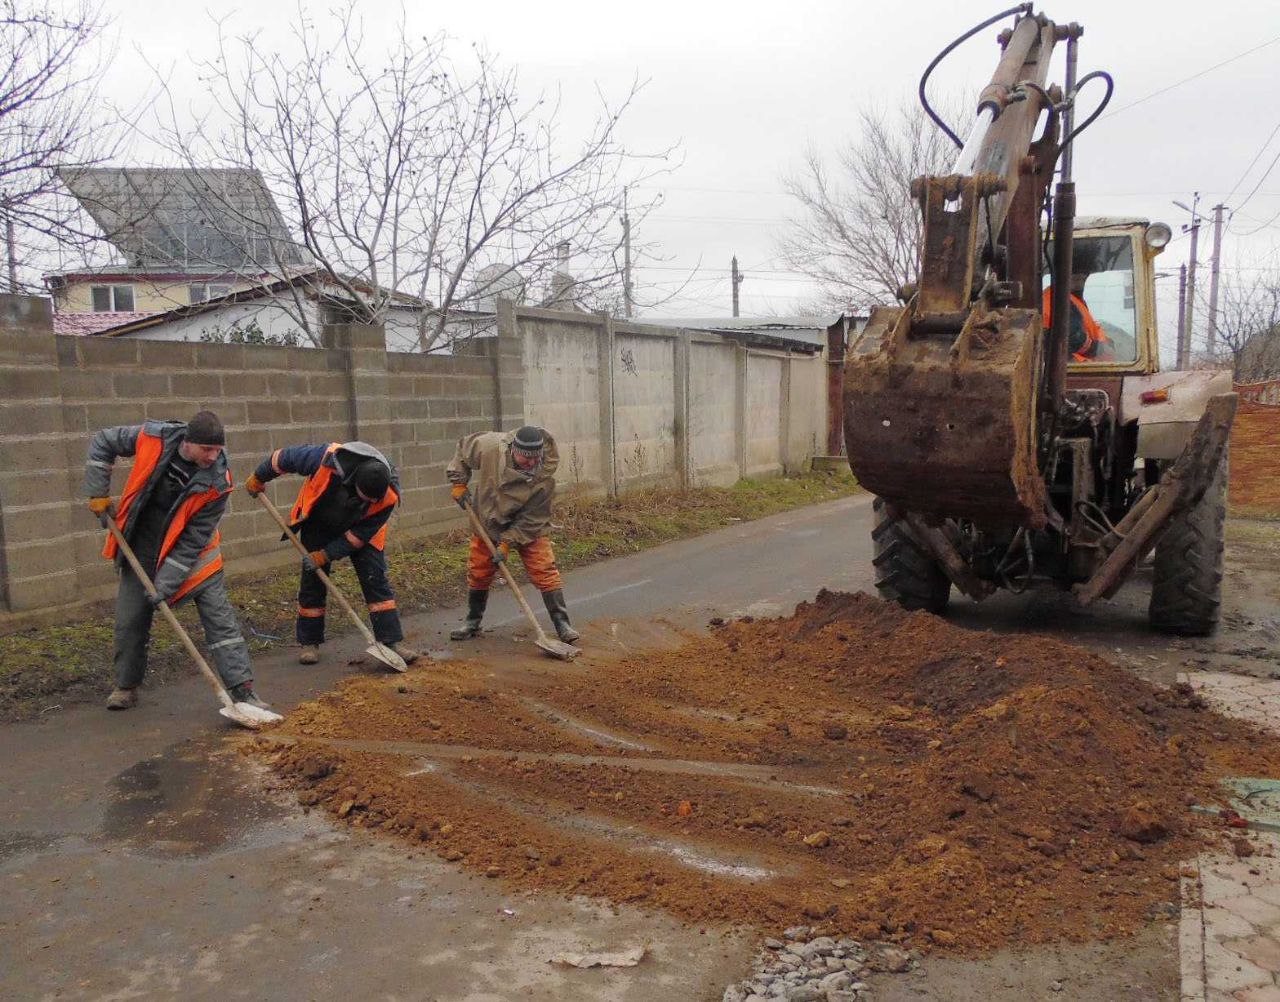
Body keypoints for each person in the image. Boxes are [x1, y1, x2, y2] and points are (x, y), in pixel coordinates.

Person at [85, 411, 268, 711]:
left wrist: (165, 584)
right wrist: (97, 492)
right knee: (130, 621)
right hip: (142, 546)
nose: (212, 456)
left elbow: (193, 540)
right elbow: (103, 441)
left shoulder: (218, 483)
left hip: (195, 557)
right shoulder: (153, 438)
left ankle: (243, 692)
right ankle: (126, 686)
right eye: (206, 450)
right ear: (188, 442)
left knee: (220, 622)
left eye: (217, 450)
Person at [245, 441, 420, 666]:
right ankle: (309, 642)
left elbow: (358, 537)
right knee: (312, 580)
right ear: (354, 480)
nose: (369, 502)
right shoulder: (325, 458)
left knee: (375, 579)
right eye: (365, 497)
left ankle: (391, 641)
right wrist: (260, 477)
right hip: (319, 522)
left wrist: (326, 555)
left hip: (362, 530)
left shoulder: (389, 494)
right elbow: (283, 458)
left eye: (372, 500)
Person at [445, 425, 580, 644]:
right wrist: (459, 482)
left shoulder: (543, 478)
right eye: (526, 459)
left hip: (527, 527)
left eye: (535, 459)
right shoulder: (489, 447)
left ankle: (562, 625)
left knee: (544, 569)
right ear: (513, 451)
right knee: (479, 570)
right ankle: (472, 621)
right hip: (488, 520)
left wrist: (507, 543)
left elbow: (532, 519)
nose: (531, 464)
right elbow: (463, 449)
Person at [1042, 242, 1114, 362]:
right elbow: (1074, 339)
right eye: (1076, 277)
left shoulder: (1072, 299)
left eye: (1084, 277)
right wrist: (1100, 348)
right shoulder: (1057, 300)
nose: (1081, 281)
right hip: (1075, 369)